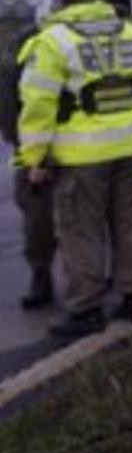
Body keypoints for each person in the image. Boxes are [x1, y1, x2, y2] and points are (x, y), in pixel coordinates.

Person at [18, 0, 132, 339]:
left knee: (81, 231)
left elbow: (37, 106)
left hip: (82, 157)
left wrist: (35, 159)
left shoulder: (52, 41)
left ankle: (87, 310)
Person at [1, 22, 58, 309]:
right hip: (40, 145)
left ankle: (87, 279)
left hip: (73, 144)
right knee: (38, 216)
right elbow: (10, 103)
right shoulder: (26, 44)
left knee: (80, 217)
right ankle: (42, 274)